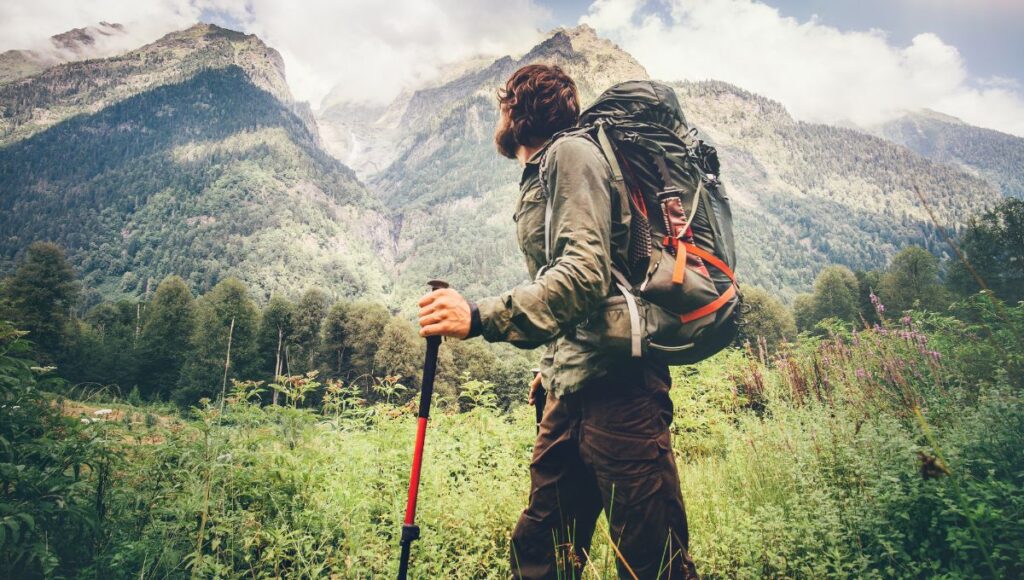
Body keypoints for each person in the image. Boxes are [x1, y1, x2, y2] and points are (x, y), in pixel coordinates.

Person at [416, 64, 699, 579]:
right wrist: (553, 362)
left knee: (652, 561)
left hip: (623, 395)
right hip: (568, 393)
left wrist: (479, 317)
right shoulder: (548, 168)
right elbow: (586, 276)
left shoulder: (571, 153)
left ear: (518, 112)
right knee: (544, 549)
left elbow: (584, 273)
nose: (498, 118)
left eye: (502, 106)